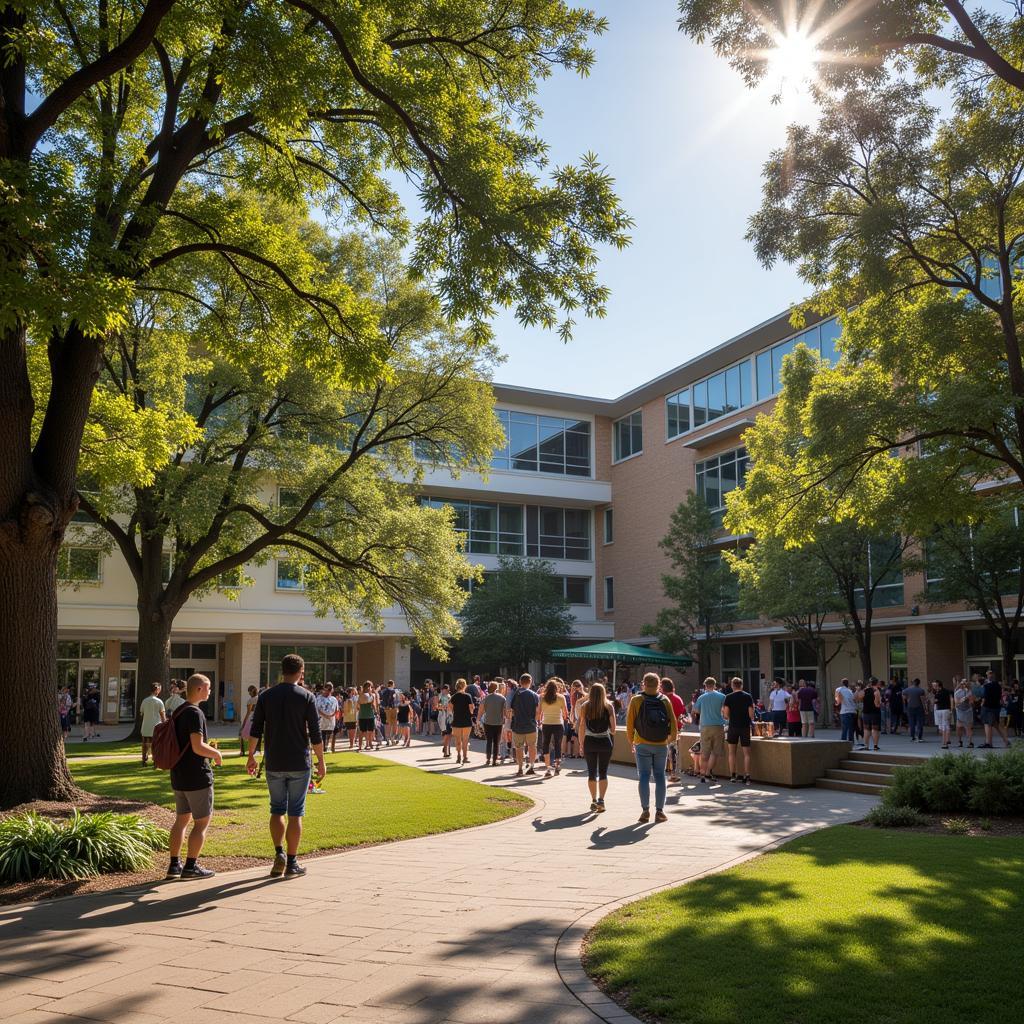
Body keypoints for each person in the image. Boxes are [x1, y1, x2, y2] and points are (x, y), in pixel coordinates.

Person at [246, 653, 325, 877]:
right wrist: (321, 761)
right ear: (301, 672)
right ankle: (292, 862)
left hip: (274, 761)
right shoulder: (307, 696)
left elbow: (256, 729)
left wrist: (251, 756)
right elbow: (316, 734)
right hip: (299, 761)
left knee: (276, 808)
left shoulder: (266, 696)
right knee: (295, 812)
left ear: (282, 671)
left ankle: (279, 852)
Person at [167, 673, 223, 880]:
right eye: (208, 688)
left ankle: (174, 865)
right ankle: (191, 866)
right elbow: (198, 747)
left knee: (181, 820)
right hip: (196, 776)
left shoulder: (178, 711)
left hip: (179, 774)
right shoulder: (195, 713)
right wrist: (216, 754)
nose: (210, 691)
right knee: (201, 822)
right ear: (199, 689)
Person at [626, 672, 677, 822]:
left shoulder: (636, 700)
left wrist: (631, 741)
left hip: (642, 743)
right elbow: (673, 723)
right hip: (661, 744)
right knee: (660, 775)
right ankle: (660, 812)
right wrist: (669, 740)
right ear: (659, 685)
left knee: (644, 775)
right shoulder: (665, 700)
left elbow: (630, 724)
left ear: (643, 684)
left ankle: (645, 810)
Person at [578, 681, 616, 812]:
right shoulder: (609, 706)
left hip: (589, 741)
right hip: (605, 741)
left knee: (591, 772)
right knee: (603, 772)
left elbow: (582, 726)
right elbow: (614, 730)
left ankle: (593, 800)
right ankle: (601, 800)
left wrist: (581, 744)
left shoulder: (585, 706)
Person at [693, 676, 726, 784]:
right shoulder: (722, 696)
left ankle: (702, 774)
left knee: (705, 752)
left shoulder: (701, 697)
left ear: (705, 686)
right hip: (718, 726)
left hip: (705, 726)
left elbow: (696, 710)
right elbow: (724, 711)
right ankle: (708, 772)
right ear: (715, 685)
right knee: (715, 752)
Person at [722, 676, 755, 784]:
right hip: (745, 727)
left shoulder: (728, 697)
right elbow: (751, 715)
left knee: (732, 753)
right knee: (747, 754)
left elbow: (726, 715)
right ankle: (747, 776)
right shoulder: (748, 696)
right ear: (741, 685)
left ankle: (733, 775)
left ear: (732, 686)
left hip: (733, 727)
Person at [508, 673, 540, 777]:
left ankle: (520, 768)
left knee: (519, 747)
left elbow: (511, 710)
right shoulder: (534, 695)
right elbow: (537, 711)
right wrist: (535, 721)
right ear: (530, 682)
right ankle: (531, 766)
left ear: (520, 682)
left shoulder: (515, 694)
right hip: (530, 725)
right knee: (532, 746)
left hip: (518, 725)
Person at [538, 678, 568, 778]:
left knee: (546, 744)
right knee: (557, 745)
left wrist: (539, 721)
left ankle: (547, 768)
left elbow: (539, 713)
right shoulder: (561, 697)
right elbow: (565, 713)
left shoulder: (542, 697)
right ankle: (557, 766)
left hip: (546, 723)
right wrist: (564, 717)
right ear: (556, 688)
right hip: (558, 724)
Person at [661, 679, 687, 782]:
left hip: (663, 729)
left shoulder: (662, 699)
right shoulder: (678, 699)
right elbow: (682, 714)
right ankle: (673, 773)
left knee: (665, 751)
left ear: (663, 688)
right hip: (676, 729)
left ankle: (667, 772)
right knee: (673, 751)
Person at [979, 671, 1009, 748]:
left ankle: (988, 743)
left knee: (987, 724)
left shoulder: (986, 686)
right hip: (996, 708)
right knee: (996, 725)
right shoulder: (998, 686)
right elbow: (1000, 697)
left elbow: (984, 696)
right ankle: (1006, 741)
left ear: (988, 677)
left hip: (988, 707)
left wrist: (982, 703)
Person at [139, 681, 166, 766]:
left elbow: (141, 713)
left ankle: (144, 759)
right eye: (159, 689)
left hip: (146, 725)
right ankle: (155, 760)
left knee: (144, 744)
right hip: (156, 726)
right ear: (157, 690)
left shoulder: (144, 701)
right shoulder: (159, 701)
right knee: (155, 744)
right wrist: (165, 724)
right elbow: (162, 715)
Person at [479, 681, 506, 766]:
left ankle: (488, 758)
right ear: (497, 688)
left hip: (488, 722)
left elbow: (481, 710)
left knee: (489, 741)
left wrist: (478, 719)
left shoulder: (485, 698)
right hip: (498, 722)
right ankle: (494, 760)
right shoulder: (502, 698)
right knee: (496, 742)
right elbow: (504, 712)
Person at [450, 678, 474, 765]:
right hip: (466, 721)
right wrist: (471, 711)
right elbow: (471, 709)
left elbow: (450, 708)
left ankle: (458, 756)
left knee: (458, 740)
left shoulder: (453, 697)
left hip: (456, 721)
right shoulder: (468, 696)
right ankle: (465, 757)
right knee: (465, 740)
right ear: (464, 685)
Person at [859, 677, 882, 751]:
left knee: (866, 729)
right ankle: (875, 746)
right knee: (875, 729)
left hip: (866, 712)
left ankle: (866, 746)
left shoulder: (865, 690)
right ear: (877, 683)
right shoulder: (876, 691)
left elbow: (859, 698)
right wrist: (880, 704)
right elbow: (877, 704)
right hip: (875, 712)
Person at [931, 678, 953, 749]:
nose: (934, 687)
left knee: (943, 727)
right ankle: (946, 740)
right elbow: (951, 699)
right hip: (946, 709)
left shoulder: (937, 693)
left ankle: (944, 743)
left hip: (941, 710)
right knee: (945, 726)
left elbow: (934, 701)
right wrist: (951, 708)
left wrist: (933, 700)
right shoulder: (947, 691)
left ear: (938, 685)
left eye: (935, 685)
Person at [357, 681, 378, 752]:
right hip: (362, 715)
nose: (369, 688)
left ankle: (369, 744)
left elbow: (373, 704)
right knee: (362, 732)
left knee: (371, 731)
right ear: (364, 687)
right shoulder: (361, 695)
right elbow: (360, 703)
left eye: (370, 687)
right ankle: (360, 746)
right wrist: (370, 697)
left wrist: (376, 712)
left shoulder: (372, 695)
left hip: (370, 715)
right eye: (368, 687)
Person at [903, 677, 926, 742]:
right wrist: (925, 708)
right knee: (919, 722)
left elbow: (904, 697)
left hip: (910, 707)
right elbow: (923, 700)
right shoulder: (921, 690)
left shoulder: (907, 690)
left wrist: (907, 702)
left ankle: (912, 737)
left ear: (913, 683)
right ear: (919, 683)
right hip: (919, 707)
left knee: (911, 722)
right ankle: (919, 737)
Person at [835, 678, 857, 742]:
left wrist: (837, 703)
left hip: (845, 711)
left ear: (841, 683)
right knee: (851, 728)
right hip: (852, 711)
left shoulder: (838, 689)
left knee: (844, 728)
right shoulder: (850, 691)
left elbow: (838, 701)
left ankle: (843, 742)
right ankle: (851, 742)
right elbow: (853, 700)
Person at [380, 679, 399, 745]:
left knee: (388, 724)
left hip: (387, 709)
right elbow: (397, 700)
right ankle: (392, 738)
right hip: (393, 708)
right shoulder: (395, 691)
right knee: (394, 724)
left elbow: (382, 700)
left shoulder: (384, 691)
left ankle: (388, 739)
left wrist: (385, 706)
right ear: (392, 684)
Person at [437, 683, 453, 758]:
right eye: (445, 690)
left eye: (447, 690)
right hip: (443, 716)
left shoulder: (449, 696)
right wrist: (443, 707)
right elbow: (437, 706)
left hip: (449, 716)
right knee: (445, 733)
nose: (446, 691)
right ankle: (446, 750)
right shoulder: (440, 696)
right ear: (442, 690)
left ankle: (446, 749)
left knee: (449, 733)